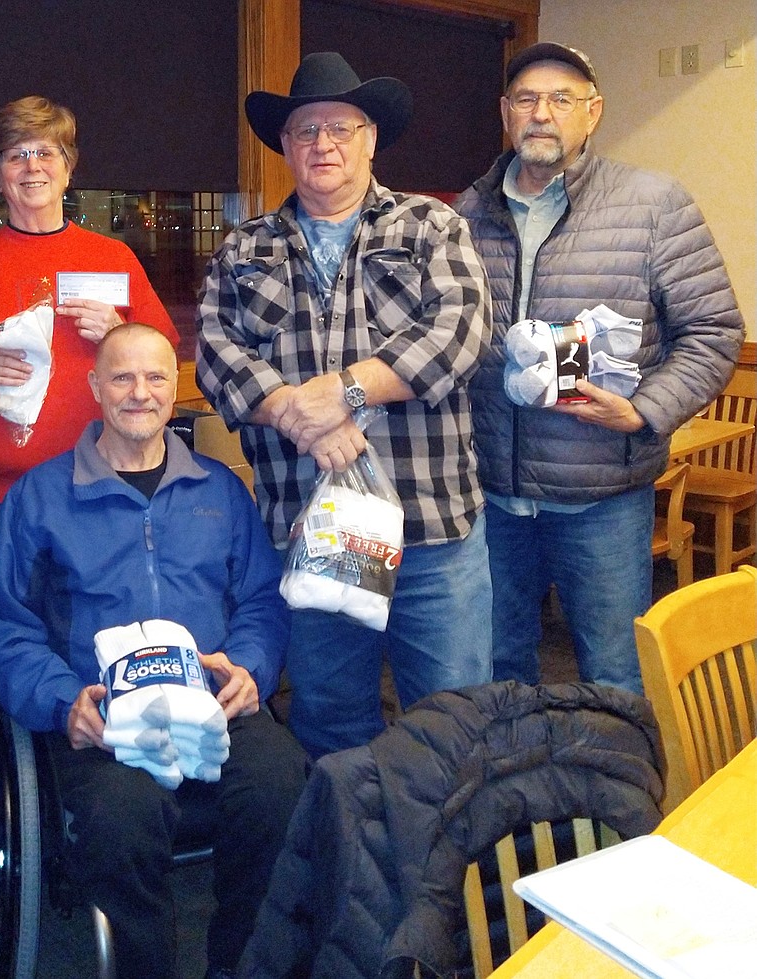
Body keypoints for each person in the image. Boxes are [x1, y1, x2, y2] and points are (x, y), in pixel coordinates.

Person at [0, 323, 309, 979]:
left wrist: (252, 667)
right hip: (105, 719)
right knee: (121, 819)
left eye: (156, 376)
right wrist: (61, 700)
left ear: (172, 389)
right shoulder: (42, 496)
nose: (139, 391)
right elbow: (1, 617)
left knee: (281, 786)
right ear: (95, 387)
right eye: (121, 376)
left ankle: (243, 966)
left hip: (215, 703)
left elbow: (262, 600)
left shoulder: (218, 489)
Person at [196, 52, 494, 758]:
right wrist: (299, 414)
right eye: (305, 131)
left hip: (432, 532)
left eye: (340, 127)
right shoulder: (246, 248)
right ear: (286, 145)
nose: (322, 144)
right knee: (331, 720)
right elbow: (215, 352)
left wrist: (347, 389)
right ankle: (352, 862)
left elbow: (461, 333)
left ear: (370, 139)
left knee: (454, 720)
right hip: (313, 534)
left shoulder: (432, 227)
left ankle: (445, 868)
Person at [455, 43, 743, 693]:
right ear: (505, 113)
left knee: (614, 672)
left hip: (603, 499)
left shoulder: (653, 205)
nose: (542, 114)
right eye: (526, 99)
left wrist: (645, 409)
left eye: (562, 99)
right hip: (491, 495)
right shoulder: (462, 217)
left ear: (594, 113)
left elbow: (714, 330)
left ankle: (610, 797)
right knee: (498, 667)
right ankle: (518, 791)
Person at [0, 96, 178, 776]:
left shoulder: (111, 259)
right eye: (15, 154)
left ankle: (77, 819)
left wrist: (117, 332)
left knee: (87, 657)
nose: (31, 166)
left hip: (87, 502)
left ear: (69, 170)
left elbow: (162, 360)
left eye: (45, 153)